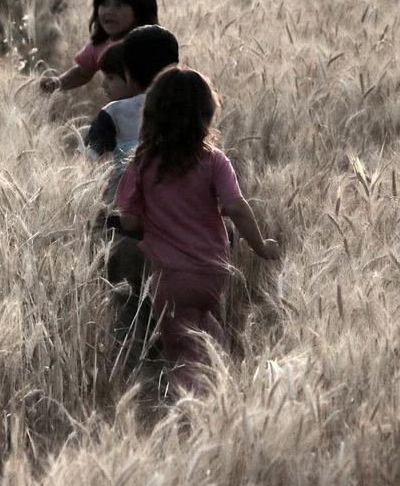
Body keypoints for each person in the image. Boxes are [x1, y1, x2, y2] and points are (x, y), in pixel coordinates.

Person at [114, 67, 280, 393]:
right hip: (213, 272)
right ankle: (229, 383)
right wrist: (260, 245)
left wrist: (154, 218)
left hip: (172, 277)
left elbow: (129, 221)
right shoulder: (215, 160)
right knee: (204, 325)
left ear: (152, 114)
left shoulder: (143, 163)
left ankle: (194, 411)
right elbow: (235, 206)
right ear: (205, 114)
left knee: (180, 349)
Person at [85, 26, 180, 365]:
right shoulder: (188, 110)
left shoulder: (113, 114)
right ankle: (176, 372)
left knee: (125, 304)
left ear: (128, 72)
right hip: (180, 231)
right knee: (176, 309)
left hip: (123, 229)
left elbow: (89, 168)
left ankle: (131, 378)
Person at [40, 0, 157, 94]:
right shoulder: (100, 46)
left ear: (140, 10)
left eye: (119, 5)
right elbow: (82, 72)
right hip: (116, 111)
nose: (109, 11)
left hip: (151, 108)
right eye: (104, 4)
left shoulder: (151, 41)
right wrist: (57, 82)